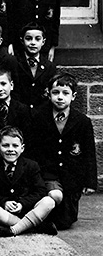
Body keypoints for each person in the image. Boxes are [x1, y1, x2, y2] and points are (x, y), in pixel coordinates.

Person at [28, 73, 97, 230]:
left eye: (65, 93)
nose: (60, 97)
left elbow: (89, 153)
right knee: (53, 197)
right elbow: (32, 148)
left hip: (72, 177)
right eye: (55, 92)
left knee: (65, 222)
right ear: (48, 94)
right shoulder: (39, 117)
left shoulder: (82, 121)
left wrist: (90, 182)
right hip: (47, 174)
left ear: (73, 96)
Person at [0, 126, 57, 237]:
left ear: (22, 148)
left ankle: (14, 230)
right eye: (5, 145)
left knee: (49, 201)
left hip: (27, 211)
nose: (10, 149)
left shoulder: (31, 166)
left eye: (15, 146)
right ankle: (34, 227)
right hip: (6, 212)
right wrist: (4, 202)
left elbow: (40, 191)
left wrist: (22, 204)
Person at [0, 66, 32, 159]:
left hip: (18, 157)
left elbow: (27, 137)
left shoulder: (22, 109)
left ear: (11, 85)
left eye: (3, 84)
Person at [13, 22, 57, 110]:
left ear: (43, 42)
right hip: (19, 112)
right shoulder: (15, 63)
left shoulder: (49, 66)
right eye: (28, 39)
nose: (33, 43)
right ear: (22, 40)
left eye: (37, 39)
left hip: (41, 113)